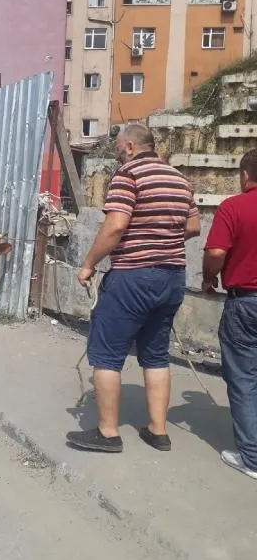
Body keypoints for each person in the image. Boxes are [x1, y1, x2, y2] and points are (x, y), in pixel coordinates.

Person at [67, 124, 200, 454]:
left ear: (128, 146)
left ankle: (108, 433)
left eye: (117, 147)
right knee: (155, 355)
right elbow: (194, 226)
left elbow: (115, 226)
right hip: (172, 278)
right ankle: (157, 431)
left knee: (106, 354)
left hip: (133, 277)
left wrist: (88, 264)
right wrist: (162, 242)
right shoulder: (179, 179)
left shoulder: (128, 174)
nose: (115, 152)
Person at [203, 149, 257, 480]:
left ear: (245, 175)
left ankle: (251, 457)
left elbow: (216, 252)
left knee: (243, 379)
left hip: (246, 302)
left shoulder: (234, 207)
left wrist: (209, 279)